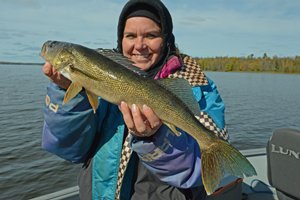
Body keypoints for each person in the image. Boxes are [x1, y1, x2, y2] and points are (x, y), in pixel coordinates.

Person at [41, 0, 229, 199]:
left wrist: (155, 139)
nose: (139, 46)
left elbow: (198, 172)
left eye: (151, 35)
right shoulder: (93, 85)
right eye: (130, 36)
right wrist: (67, 92)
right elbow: (69, 150)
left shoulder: (196, 85)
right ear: (120, 40)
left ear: (166, 39)